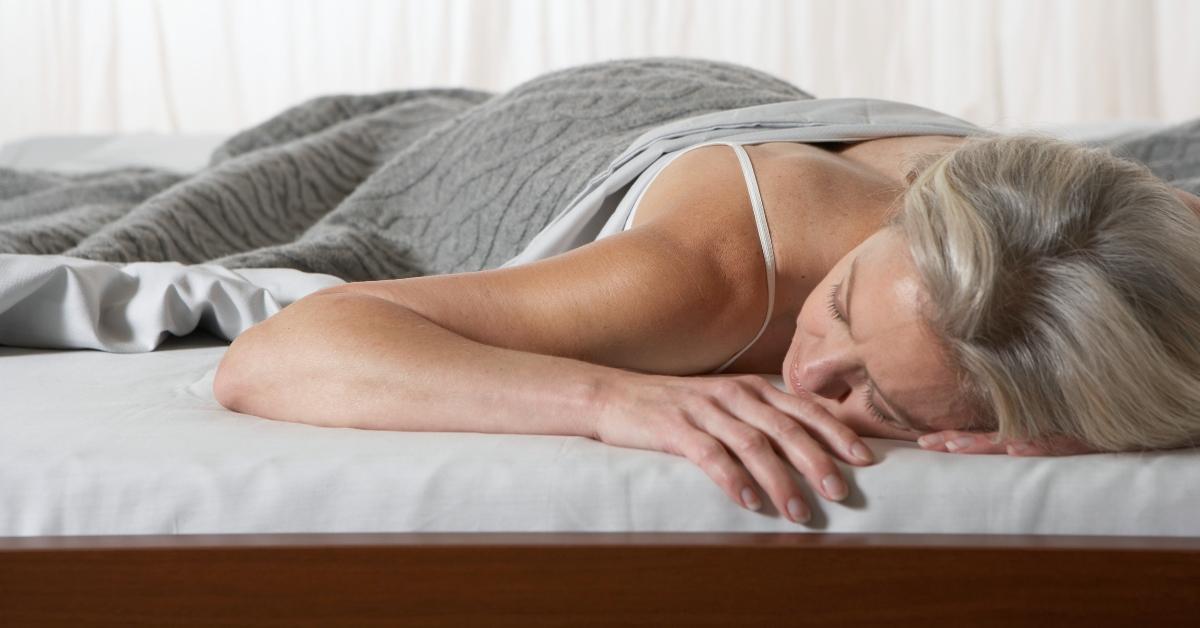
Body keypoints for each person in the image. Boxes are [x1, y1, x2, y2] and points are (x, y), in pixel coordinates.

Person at [212, 130, 1200, 525]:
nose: (809, 376)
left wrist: (1114, 417)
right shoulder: (706, 281)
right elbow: (277, 354)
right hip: (576, 134)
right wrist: (612, 398)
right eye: (844, 305)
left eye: (880, 400)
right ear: (908, 205)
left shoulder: (1125, 244)